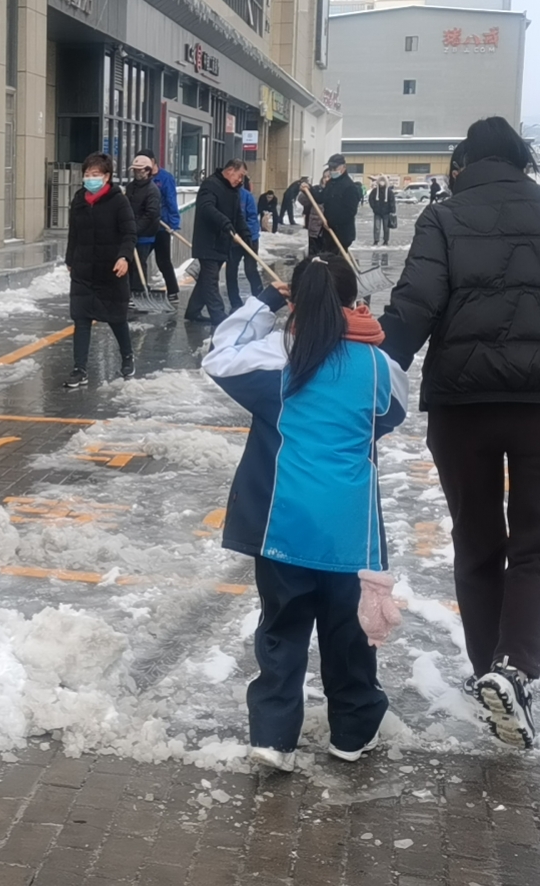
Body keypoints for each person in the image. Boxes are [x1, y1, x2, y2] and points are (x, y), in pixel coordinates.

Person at [378, 117, 540, 751]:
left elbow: (416, 304)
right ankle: (513, 670)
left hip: (466, 404)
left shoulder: (445, 216)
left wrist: (375, 367)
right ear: (524, 161)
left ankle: (490, 671)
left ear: (463, 164)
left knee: (478, 540)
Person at [205, 256, 407, 769]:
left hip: (284, 520)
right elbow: (390, 416)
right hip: (350, 526)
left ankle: (273, 739)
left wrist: (264, 302)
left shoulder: (276, 355)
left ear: (296, 301)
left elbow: (220, 354)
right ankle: (351, 734)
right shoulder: (379, 366)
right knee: (349, 634)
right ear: (353, 301)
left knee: (282, 628)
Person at [64, 153, 138, 387]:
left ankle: (127, 357)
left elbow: (129, 233)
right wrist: (70, 259)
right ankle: (80, 369)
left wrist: (124, 257)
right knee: (81, 318)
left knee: (116, 317)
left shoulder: (118, 201)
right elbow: (73, 233)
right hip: (83, 269)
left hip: (111, 269)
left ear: (107, 177)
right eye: (87, 174)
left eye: (95, 174)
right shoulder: (79, 199)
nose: (90, 178)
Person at [185, 159, 248, 325]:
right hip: (208, 241)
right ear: (230, 170)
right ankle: (218, 316)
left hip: (222, 242)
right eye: (240, 175)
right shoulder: (210, 185)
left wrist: (245, 234)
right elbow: (206, 208)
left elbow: (238, 215)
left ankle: (193, 311)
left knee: (206, 279)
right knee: (211, 281)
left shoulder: (233, 190)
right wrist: (225, 223)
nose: (240, 180)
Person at [137, 150, 182, 304]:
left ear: (153, 161)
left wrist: (173, 223)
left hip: (162, 226)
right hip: (145, 227)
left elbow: (171, 200)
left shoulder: (165, 178)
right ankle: (140, 290)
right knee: (139, 259)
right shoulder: (140, 179)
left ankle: (173, 292)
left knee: (163, 261)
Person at [304, 155, 362, 258]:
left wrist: (332, 222)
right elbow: (321, 198)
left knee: (335, 260)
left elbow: (350, 212)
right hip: (329, 232)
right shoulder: (331, 183)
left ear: (343, 167)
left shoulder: (349, 187)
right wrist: (309, 190)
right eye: (330, 168)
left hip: (342, 233)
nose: (332, 170)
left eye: (334, 168)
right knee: (327, 258)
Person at [126, 157, 164, 290]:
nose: (136, 172)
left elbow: (151, 214)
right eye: (135, 170)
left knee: (139, 263)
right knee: (129, 262)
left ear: (147, 171)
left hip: (145, 234)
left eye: (140, 170)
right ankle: (129, 291)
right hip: (130, 231)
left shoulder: (152, 190)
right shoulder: (130, 187)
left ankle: (139, 290)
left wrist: (135, 229)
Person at [232, 176, 263, 306]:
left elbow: (252, 218)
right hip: (233, 239)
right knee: (231, 270)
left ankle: (259, 298)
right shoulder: (226, 196)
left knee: (250, 269)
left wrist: (245, 235)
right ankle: (235, 302)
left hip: (250, 238)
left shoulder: (247, 196)